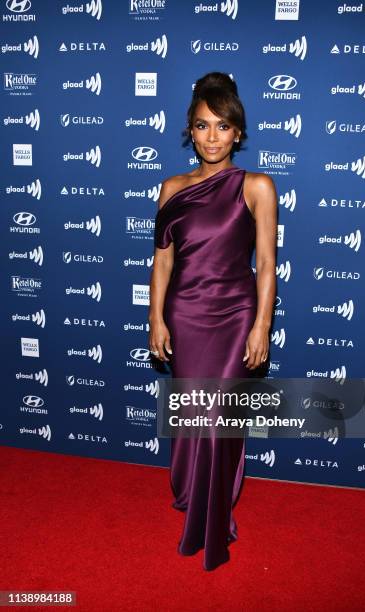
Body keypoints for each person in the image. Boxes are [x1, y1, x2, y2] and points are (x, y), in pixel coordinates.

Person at [148, 72, 277, 571]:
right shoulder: (172, 188)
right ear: (190, 130)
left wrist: (261, 325)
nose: (212, 137)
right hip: (185, 313)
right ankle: (188, 494)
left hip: (235, 314)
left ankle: (213, 518)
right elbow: (162, 263)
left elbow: (265, 263)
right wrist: (156, 319)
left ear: (238, 132)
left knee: (219, 420)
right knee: (189, 419)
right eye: (202, 126)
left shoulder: (258, 186)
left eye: (223, 127)